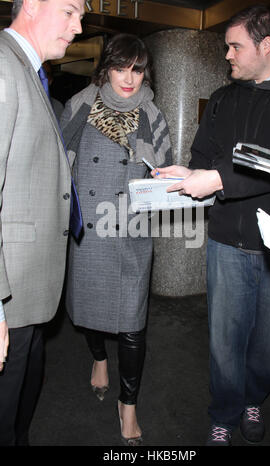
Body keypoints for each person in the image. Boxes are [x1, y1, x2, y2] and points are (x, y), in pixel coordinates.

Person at [153, 5, 270, 446]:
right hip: (226, 244)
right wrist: (188, 173)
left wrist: (216, 178)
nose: (228, 55)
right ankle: (224, 412)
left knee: (268, 343)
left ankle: (253, 398)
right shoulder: (221, 99)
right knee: (224, 342)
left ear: (266, 45)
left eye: (235, 46)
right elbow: (203, 156)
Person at [60, 33, 172, 446]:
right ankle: (98, 358)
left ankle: (129, 406)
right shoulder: (80, 105)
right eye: (121, 67)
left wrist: (163, 182)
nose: (128, 78)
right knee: (90, 310)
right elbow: (59, 160)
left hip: (130, 233)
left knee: (132, 325)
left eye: (137, 69)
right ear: (106, 67)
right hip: (90, 230)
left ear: (145, 72)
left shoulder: (153, 115)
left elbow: (164, 170)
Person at [0, 0, 85, 446]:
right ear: (31, 4)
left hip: (28, 287)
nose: (80, 25)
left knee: (19, 407)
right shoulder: (2, 65)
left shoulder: (28, 71)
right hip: (7, 293)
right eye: (71, 11)